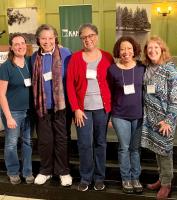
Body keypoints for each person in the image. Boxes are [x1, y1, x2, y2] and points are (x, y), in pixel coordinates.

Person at [67, 23, 113, 191]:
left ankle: (100, 178)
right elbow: (70, 86)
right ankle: (86, 177)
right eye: (84, 37)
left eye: (91, 35)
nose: (88, 39)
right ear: (81, 39)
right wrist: (76, 109)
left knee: (100, 143)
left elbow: (113, 85)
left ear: (97, 36)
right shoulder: (75, 58)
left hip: (102, 109)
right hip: (82, 111)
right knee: (85, 144)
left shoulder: (107, 57)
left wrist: (111, 111)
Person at [31, 24, 72, 186]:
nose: (47, 41)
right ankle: (46, 170)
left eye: (50, 38)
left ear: (55, 38)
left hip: (61, 106)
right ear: (38, 40)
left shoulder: (65, 53)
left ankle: (63, 171)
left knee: (61, 139)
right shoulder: (34, 57)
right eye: (43, 38)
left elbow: (71, 78)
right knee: (45, 141)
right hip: (42, 107)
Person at [141, 36, 177, 199]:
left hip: (165, 120)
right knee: (157, 151)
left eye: (156, 48)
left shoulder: (169, 69)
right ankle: (161, 178)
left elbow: (175, 97)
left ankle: (166, 185)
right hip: (150, 118)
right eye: (149, 48)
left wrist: (168, 120)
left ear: (162, 49)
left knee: (165, 152)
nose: (152, 51)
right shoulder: (147, 68)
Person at [107, 36, 145, 194]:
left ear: (134, 50)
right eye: (122, 49)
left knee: (135, 149)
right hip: (119, 115)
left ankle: (136, 178)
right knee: (124, 148)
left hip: (139, 115)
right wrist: (109, 116)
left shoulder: (142, 68)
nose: (126, 52)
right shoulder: (112, 69)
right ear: (118, 51)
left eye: (129, 48)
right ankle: (126, 179)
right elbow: (109, 93)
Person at [0, 33, 34, 184]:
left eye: (22, 43)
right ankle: (13, 171)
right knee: (12, 143)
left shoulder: (29, 61)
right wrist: (8, 117)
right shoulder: (6, 67)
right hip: (13, 112)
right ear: (11, 48)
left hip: (29, 111)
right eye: (16, 44)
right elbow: (1, 94)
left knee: (27, 141)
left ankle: (27, 171)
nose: (20, 46)